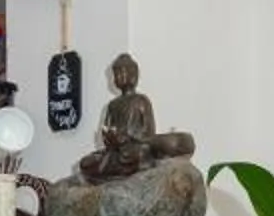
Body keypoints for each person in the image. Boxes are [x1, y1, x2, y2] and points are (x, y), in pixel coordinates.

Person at [77, 53, 194, 183]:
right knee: (86, 162)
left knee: (141, 154)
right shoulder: (112, 105)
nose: (118, 77)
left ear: (133, 75)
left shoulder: (141, 101)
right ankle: (112, 171)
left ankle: (117, 171)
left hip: (133, 150)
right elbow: (107, 130)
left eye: (122, 73)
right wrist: (109, 138)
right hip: (115, 152)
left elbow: (148, 133)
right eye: (116, 74)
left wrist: (127, 138)